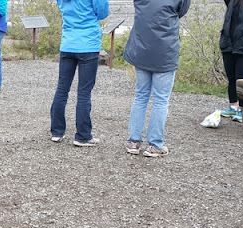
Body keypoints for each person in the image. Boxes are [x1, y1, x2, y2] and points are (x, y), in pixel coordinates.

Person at [123, 0, 190, 157]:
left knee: (141, 96)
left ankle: (133, 141)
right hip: (165, 50)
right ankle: (154, 145)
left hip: (141, 47)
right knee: (161, 99)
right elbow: (182, 10)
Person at [50, 0, 109, 146]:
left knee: (62, 89)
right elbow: (103, 13)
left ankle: (57, 132)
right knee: (84, 92)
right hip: (88, 44)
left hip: (68, 43)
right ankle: (83, 135)